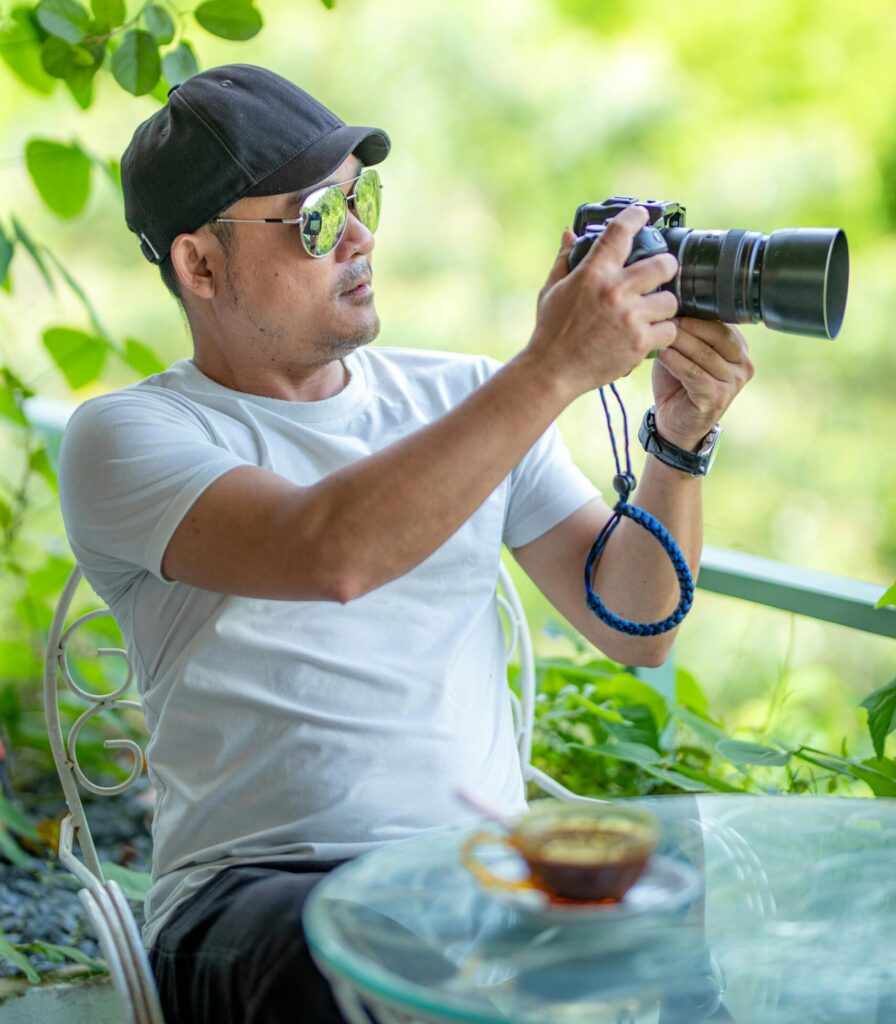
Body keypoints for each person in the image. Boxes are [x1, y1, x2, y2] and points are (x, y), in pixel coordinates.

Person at [57, 63, 753, 1023]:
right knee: (361, 962)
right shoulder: (129, 437)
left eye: (359, 199)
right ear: (200, 266)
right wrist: (550, 369)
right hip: (257, 894)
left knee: (670, 914)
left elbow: (635, 620)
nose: (359, 237)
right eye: (312, 220)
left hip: (478, 873)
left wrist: (678, 441)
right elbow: (328, 553)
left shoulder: (467, 398)